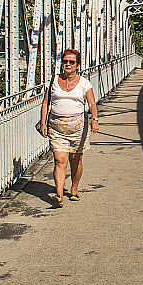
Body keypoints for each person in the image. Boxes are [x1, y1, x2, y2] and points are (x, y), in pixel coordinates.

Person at [38, 48, 99, 207]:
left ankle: (74, 188)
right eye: (65, 61)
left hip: (78, 129)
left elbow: (92, 103)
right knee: (60, 160)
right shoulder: (53, 80)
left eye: (72, 62)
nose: (68, 64)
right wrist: (43, 122)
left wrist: (94, 119)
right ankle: (59, 195)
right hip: (56, 128)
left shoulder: (84, 83)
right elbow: (45, 103)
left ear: (77, 65)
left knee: (75, 160)